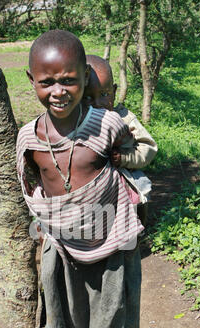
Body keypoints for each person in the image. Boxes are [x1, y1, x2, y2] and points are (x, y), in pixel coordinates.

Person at [16, 29, 149, 328]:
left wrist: (125, 190)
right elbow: (31, 191)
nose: (58, 90)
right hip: (62, 246)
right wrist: (50, 228)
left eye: (69, 80)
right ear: (31, 80)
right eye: (47, 81)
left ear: (84, 81)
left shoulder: (107, 124)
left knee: (120, 325)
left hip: (115, 244)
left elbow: (132, 158)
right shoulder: (29, 139)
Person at [84, 54, 158, 227]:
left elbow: (148, 147)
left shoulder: (124, 118)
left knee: (136, 210)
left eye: (104, 94)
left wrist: (125, 158)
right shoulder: (78, 121)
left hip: (125, 182)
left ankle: (138, 235)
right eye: (88, 97)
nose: (97, 103)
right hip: (92, 190)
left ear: (114, 91)